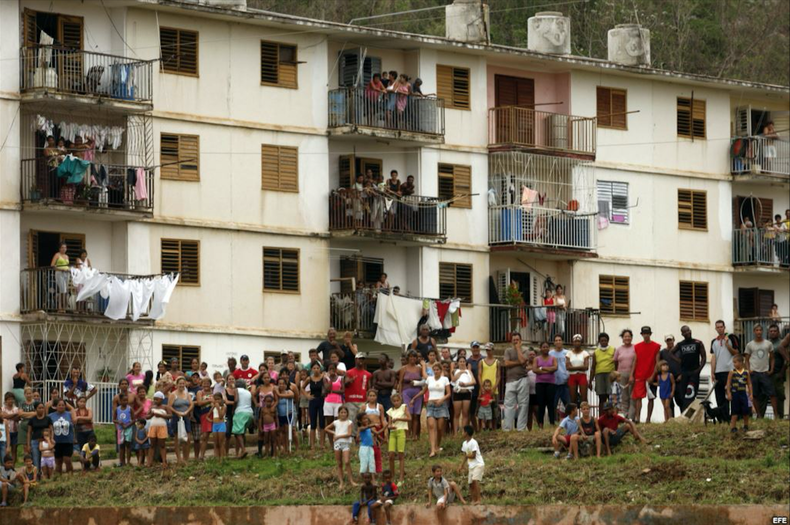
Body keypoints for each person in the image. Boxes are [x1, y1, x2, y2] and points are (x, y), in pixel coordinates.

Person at [745, 324, 778, 418]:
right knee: (754, 395)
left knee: (772, 393)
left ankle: (776, 415)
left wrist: (771, 369)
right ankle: (759, 415)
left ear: (762, 331)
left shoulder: (768, 344)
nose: (759, 332)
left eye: (760, 330)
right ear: (754, 331)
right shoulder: (750, 344)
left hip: (765, 373)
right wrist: (748, 370)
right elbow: (746, 359)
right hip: (754, 373)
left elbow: (772, 358)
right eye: (757, 330)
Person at [710, 320, 739, 420]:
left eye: (721, 327)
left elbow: (736, 353)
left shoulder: (731, 337)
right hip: (718, 372)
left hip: (729, 371)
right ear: (715, 328)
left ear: (724, 327)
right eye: (717, 327)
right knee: (720, 396)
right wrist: (712, 372)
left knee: (731, 395)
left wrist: (727, 345)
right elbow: (713, 357)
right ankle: (722, 418)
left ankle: (734, 417)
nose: (719, 329)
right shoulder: (714, 341)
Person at [631, 326, 661, 423]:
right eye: (644, 333)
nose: (646, 335)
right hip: (639, 375)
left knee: (651, 398)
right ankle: (637, 418)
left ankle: (648, 419)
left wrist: (653, 375)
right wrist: (632, 375)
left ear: (650, 334)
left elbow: (657, 362)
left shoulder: (656, 346)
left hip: (651, 376)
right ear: (642, 334)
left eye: (648, 333)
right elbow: (635, 361)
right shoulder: (637, 346)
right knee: (638, 398)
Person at [421, 363, 450, 458]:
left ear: (441, 370)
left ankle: (437, 445)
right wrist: (414, 398)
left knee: (440, 428)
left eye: (438, 369)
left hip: (441, 405)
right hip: (430, 404)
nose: (436, 371)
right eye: (435, 369)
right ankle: (432, 449)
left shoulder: (445, 379)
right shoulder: (429, 379)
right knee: (431, 426)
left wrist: (442, 399)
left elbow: (449, 393)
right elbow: (424, 391)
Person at [676, 326, 706, 413]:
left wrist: (699, 369)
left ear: (690, 331)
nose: (686, 333)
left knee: (691, 393)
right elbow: (671, 353)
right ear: (682, 334)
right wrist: (679, 360)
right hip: (684, 372)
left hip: (694, 372)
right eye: (684, 332)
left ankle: (690, 414)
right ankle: (684, 413)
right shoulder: (680, 344)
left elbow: (703, 357)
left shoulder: (698, 342)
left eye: (687, 331)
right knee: (683, 394)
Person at [503, 333, 529, 431]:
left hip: (523, 379)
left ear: (521, 340)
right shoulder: (508, 351)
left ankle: (521, 429)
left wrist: (518, 349)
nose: (515, 341)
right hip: (510, 381)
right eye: (514, 340)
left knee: (523, 405)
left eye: (517, 339)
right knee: (509, 405)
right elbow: (506, 363)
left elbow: (523, 360)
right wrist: (519, 363)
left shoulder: (525, 350)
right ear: (511, 341)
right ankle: (507, 429)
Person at [397, 351, 426, 439]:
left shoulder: (419, 368)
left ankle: (414, 435)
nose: (412, 358)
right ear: (408, 358)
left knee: (416, 415)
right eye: (410, 357)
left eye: (414, 357)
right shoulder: (404, 368)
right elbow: (400, 382)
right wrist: (399, 394)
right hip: (406, 392)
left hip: (417, 392)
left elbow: (424, 381)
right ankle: (407, 435)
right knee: (408, 414)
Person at [326, 405, 355, 490]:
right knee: (339, 463)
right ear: (338, 414)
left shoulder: (349, 422)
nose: (343, 414)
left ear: (347, 414)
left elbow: (349, 434)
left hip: (345, 443)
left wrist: (338, 436)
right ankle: (341, 482)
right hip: (337, 444)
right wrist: (334, 433)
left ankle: (351, 481)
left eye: (344, 412)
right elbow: (326, 428)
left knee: (347, 462)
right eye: (341, 412)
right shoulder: (336, 422)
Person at [169, 377, 194, 464]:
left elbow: (191, 404)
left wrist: (187, 411)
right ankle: (179, 459)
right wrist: (177, 412)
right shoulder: (173, 394)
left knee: (187, 438)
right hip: (176, 418)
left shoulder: (187, 394)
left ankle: (186, 458)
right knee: (177, 439)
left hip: (186, 417)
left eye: (183, 383)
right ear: (177, 384)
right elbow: (169, 406)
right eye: (180, 383)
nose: (181, 385)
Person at [726, 354, 754, 433]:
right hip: (735, 393)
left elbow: (749, 384)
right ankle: (733, 427)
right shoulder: (732, 372)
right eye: (733, 362)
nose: (734, 364)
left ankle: (746, 425)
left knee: (745, 410)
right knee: (735, 410)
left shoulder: (746, 372)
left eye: (735, 362)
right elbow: (728, 383)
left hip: (743, 393)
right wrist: (729, 393)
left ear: (741, 362)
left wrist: (751, 394)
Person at [48, 398, 77, 475]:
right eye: (59, 405)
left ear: (65, 406)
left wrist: (74, 438)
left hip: (68, 441)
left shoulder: (70, 414)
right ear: (55, 406)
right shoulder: (51, 416)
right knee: (58, 461)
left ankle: (70, 475)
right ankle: (58, 478)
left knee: (67, 459)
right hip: (56, 442)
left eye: (63, 405)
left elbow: (73, 426)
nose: (61, 406)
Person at [767, 323, 789, 419]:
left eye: (775, 331)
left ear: (778, 332)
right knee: (768, 395)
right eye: (771, 331)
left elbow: (786, 359)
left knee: (779, 396)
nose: (773, 333)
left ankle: (780, 416)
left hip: (777, 373)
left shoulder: (782, 343)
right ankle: (766, 417)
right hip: (767, 374)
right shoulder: (766, 343)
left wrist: (781, 372)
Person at [533, 342, 558, 428]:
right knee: (541, 405)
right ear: (540, 348)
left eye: (547, 347)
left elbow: (555, 368)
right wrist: (549, 370)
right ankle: (540, 424)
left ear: (549, 348)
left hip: (551, 384)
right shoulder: (536, 359)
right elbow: (534, 370)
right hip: (540, 384)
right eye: (543, 347)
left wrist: (542, 368)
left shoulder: (553, 358)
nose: (545, 348)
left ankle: (552, 423)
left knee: (551, 404)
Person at [613, 330, 636, 419]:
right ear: (622, 338)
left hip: (632, 374)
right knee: (623, 397)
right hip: (621, 375)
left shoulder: (635, 348)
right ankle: (625, 417)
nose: (627, 338)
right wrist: (617, 374)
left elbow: (636, 361)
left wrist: (632, 375)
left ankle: (631, 417)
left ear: (631, 337)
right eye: (625, 336)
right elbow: (615, 362)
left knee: (632, 396)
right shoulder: (619, 349)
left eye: (629, 336)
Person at [386, 393, 409, 484]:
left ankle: (401, 477)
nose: (396, 402)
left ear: (400, 400)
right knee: (391, 455)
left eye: (397, 400)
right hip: (393, 432)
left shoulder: (404, 407)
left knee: (400, 455)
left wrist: (399, 419)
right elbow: (389, 424)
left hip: (401, 431)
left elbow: (409, 418)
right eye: (394, 401)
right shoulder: (390, 411)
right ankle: (392, 476)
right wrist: (390, 426)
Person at [345, 353, 372, 427]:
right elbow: (345, 384)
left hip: (363, 401)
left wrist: (368, 400)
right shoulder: (349, 372)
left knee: (362, 420)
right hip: (350, 400)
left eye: (363, 359)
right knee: (351, 420)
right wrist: (350, 380)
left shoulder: (368, 374)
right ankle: (353, 437)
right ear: (355, 360)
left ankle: (360, 437)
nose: (361, 361)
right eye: (359, 359)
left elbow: (369, 388)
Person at [146, 392, 172, 467]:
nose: (155, 401)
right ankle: (149, 461)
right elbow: (147, 416)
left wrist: (160, 415)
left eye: (157, 399)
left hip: (162, 427)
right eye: (154, 399)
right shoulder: (152, 407)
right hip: (153, 427)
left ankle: (164, 461)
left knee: (162, 445)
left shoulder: (165, 407)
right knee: (152, 445)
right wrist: (151, 415)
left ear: (161, 399)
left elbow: (170, 415)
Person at [589, 333, 616, 406]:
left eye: (605, 340)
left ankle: (610, 414)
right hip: (599, 375)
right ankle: (601, 415)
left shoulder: (613, 350)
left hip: (610, 375)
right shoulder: (596, 352)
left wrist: (616, 376)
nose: (603, 342)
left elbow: (616, 364)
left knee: (610, 396)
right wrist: (590, 381)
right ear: (599, 341)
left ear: (608, 341)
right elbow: (593, 367)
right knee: (601, 397)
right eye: (602, 341)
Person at [660, 334, 683, 417]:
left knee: (680, 399)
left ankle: (682, 418)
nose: (669, 342)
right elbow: (659, 364)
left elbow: (683, 363)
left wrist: (681, 374)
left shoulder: (679, 351)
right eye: (668, 340)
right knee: (669, 402)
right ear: (665, 341)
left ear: (674, 340)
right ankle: (670, 419)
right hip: (667, 380)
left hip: (678, 378)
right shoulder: (662, 352)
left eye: (671, 340)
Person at [460, 425, 484, 504]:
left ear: (466, 433)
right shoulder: (464, 443)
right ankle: (474, 499)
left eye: (463, 431)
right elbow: (465, 456)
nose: (462, 433)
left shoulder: (473, 442)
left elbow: (473, 455)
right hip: (471, 466)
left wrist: (467, 456)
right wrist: (462, 465)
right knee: (470, 483)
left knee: (474, 480)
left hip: (478, 464)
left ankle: (479, 499)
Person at [452, 356, 476, 435]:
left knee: (465, 413)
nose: (462, 363)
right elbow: (453, 380)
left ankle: (464, 432)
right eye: (460, 361)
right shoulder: (455, 371)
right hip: (458, 393)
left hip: (467, 393)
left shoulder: (469, 371)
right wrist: (460, 372)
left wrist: (465, 384)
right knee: (457, 414)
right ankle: (455, 432)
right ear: (458, 363)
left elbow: (473, 381)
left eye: (463, 361)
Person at [478, 343, 500, 426]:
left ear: (493, 350)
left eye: (489, 350)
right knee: (481, 409)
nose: (488, 351)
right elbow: (479, 375)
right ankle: (482, 428)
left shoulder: (497, 362)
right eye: (487, 350)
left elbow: (498, 376)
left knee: (494, 409)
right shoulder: (481, 362)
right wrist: (481, 387)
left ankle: (493, 428)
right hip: (484, 389)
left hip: (493, 389)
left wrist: (494, 387)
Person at [26, 402, 51, 473]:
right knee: (35, 459)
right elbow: (29, 433)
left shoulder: (48, 419)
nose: (41, 409)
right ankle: (36, 476)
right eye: (39, 408)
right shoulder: (32, 420)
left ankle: (45, 475)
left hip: (45, 442)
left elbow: (51, 430)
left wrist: (51, 440)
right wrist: (28, 444)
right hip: (35, 441)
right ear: (36, 409)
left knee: (44, 459)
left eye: (42, 408)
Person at [550, 335, 570, 420]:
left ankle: (570, 421)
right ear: (554, 342)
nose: (558, 342)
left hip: (565, 382)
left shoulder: (567, 353)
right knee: (553, 404)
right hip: (554, 383)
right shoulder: (550, 353)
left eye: (559, 340)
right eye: (556, 340)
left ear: (562, 341)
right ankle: (553, 422)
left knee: (568, 405)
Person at [231, 379, 252, 459]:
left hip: (240, 412)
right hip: (249, 413)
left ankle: (243, 450)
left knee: (237, 432)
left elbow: (236, 400)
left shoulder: (236, 390)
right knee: (242, 433)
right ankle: (241, 452)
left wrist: (233, 409)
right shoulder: (248, 392)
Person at [566, 335, 589, 406]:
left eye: (578, 341)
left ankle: (585, 416)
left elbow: (586, 367)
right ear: (573, 342)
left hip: (582, 376)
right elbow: (567, 367)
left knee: (584, 399)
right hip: (572, 376)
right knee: (572, 400)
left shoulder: (585, 353)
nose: (577, 343)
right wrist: (580, 367)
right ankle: (574, 416)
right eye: (575, 341)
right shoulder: (569, 353)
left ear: (581, 342)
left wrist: (573, 367)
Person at [113, 393, 133, 467]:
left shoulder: (130, 409)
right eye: (123, 400)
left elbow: (134, 420)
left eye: (126, 400)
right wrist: (119, 422)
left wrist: (127, 425)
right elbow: (114, 419)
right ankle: (122, 462)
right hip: (120, 429)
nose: (125, 402)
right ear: (120, 401)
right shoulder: (117, 409)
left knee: (128, 445)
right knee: (121, 446)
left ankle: (128, 461)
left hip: (128, 429)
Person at [50, 242, 70, 312]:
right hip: (59, 273)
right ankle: (60, 307)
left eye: (65, 248)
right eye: (62, 247)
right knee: (63, 290)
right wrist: (61, 269)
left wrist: (68, 270)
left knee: (64, 290)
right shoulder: (57, 255)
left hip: (66, 274)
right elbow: (52, 265)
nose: (64, 249)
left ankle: (63, 307)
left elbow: (67, 265)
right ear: (59, 248)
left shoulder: (67, 256)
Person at [1, 394, 20, 465]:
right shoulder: (2, 409)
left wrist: (8, 416)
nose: (10, 401)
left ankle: (13, 465)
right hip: (5, 433)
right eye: (9, 399)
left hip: (15, 431)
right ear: (5, 400)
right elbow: (3, 416)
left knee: (14, 450)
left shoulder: (16, 409)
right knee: (6, 450)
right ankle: (6, 464)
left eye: (12, 399)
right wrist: (14, 415)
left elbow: (18, 418)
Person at [209, 393, 226, 460]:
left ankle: (222, 458)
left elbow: (221, 416)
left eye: (218, 399)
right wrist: (211, 420)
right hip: (214, 424)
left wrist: (218, 408)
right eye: (215, 399)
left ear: (221, 399)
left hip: (221, 424)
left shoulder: (224, 406)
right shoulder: (213, 406)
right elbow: (208, 415)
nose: (217, 401)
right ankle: (216, 457)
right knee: (216, 443)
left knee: (221, 442)